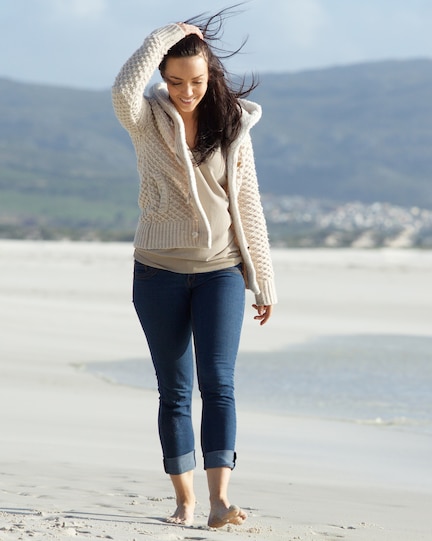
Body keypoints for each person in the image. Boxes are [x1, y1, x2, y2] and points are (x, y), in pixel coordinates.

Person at [111, 8, 277, 529]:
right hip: (157, 271)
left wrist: (263, 280)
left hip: (220, 270)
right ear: (163, 76)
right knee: (175, 389)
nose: (187, 92)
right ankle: (183, 501)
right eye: (177, 81)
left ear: (211, 78)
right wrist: (170, 34)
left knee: (219, 383)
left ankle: (220, 501)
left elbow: (247, 204)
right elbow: (122, 88)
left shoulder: (232, 126)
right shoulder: (146, 121)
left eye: (198, 82)